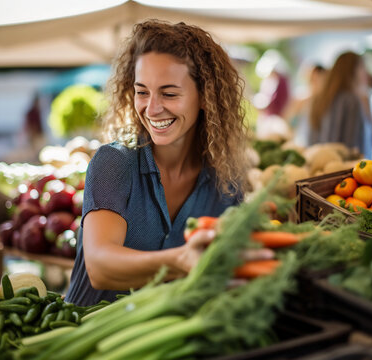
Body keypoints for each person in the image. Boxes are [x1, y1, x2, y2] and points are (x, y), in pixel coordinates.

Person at [66, 20, 271, 306]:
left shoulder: (227, 180)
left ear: (205, 97)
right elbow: (100, 267)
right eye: (142, 92)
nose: (152, 109)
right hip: (81, 339)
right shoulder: (113, 162)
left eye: (169, 93)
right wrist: (181, 260)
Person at [309, 51, 372, 157]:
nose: (365, 72)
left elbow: (312, 140)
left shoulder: (321, 98)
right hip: (352, 169)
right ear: (352, 70)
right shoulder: (352, 100)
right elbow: (352, 147)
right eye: (362, 67)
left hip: (324, 164)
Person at [283, 63, 327, 147]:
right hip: (304, 141)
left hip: (321, 142)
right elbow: (289, 120)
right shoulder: (302, 97)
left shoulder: (328, 98)